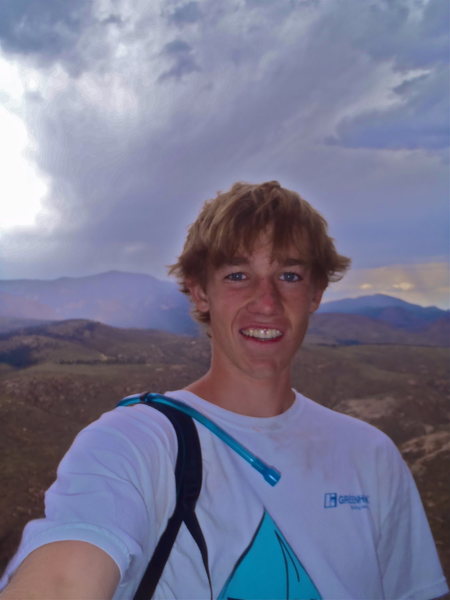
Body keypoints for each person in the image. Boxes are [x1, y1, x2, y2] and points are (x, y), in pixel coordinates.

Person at [0, 181, 448, 599]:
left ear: (315, 294)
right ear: (199, 294)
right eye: (238, 275)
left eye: (289, 275)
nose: (267, 301)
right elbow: (63, 578)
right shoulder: (133, 442)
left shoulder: (371, 455)